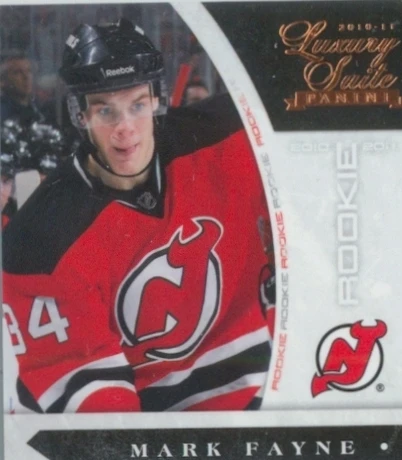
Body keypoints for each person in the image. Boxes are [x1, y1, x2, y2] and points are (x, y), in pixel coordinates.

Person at [2, 19, 275, 413]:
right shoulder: (39, 241)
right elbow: (98, 409)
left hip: (262, 399)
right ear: (81, 115)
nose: (125, 129)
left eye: (137, 106)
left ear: (155, 99)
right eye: (105, 111)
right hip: (152, 429)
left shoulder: (227, 137)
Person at [0, 50, 43, 126]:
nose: (26, 77)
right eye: (17, 72)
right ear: (2, 81)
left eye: (29, 71)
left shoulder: (39, 109)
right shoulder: (3, 114)